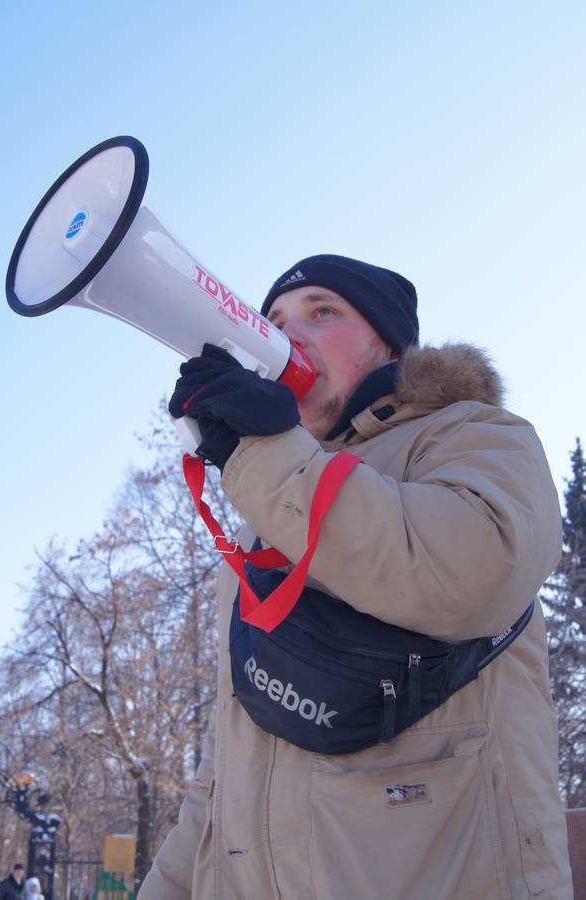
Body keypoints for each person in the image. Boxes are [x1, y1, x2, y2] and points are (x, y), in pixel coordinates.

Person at [138, 255, 573, 899]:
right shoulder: (269, 509)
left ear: (389, 344)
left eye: (323, 312)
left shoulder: (475, 435)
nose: (293, 338)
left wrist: (264, 455)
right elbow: (222, 779)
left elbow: (477, 570)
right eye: (275, 324)